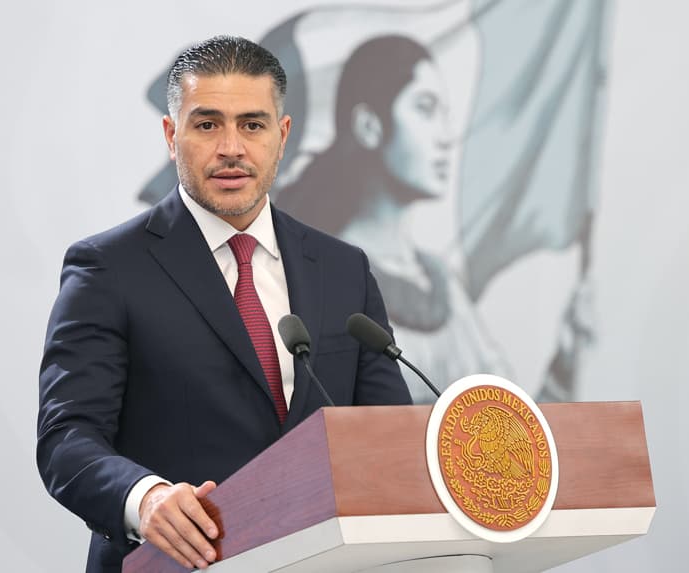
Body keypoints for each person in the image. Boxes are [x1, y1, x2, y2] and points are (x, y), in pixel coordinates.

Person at [37, 35, 411, 573]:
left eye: (253, 125)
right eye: (207, 124)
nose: (232, 147)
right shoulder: (108, 267)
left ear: (282, 137)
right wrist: (146, 500)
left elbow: (387, 434)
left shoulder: (342, 268)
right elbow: (66, 437)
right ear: (172, 135)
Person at [277, 35, 511, 402]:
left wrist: (563, 359)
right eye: (425, 108)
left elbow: (507, 420)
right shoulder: (326, 276)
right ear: (370, 125)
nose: (447, 137)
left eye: (446, 115)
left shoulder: (441, 283)